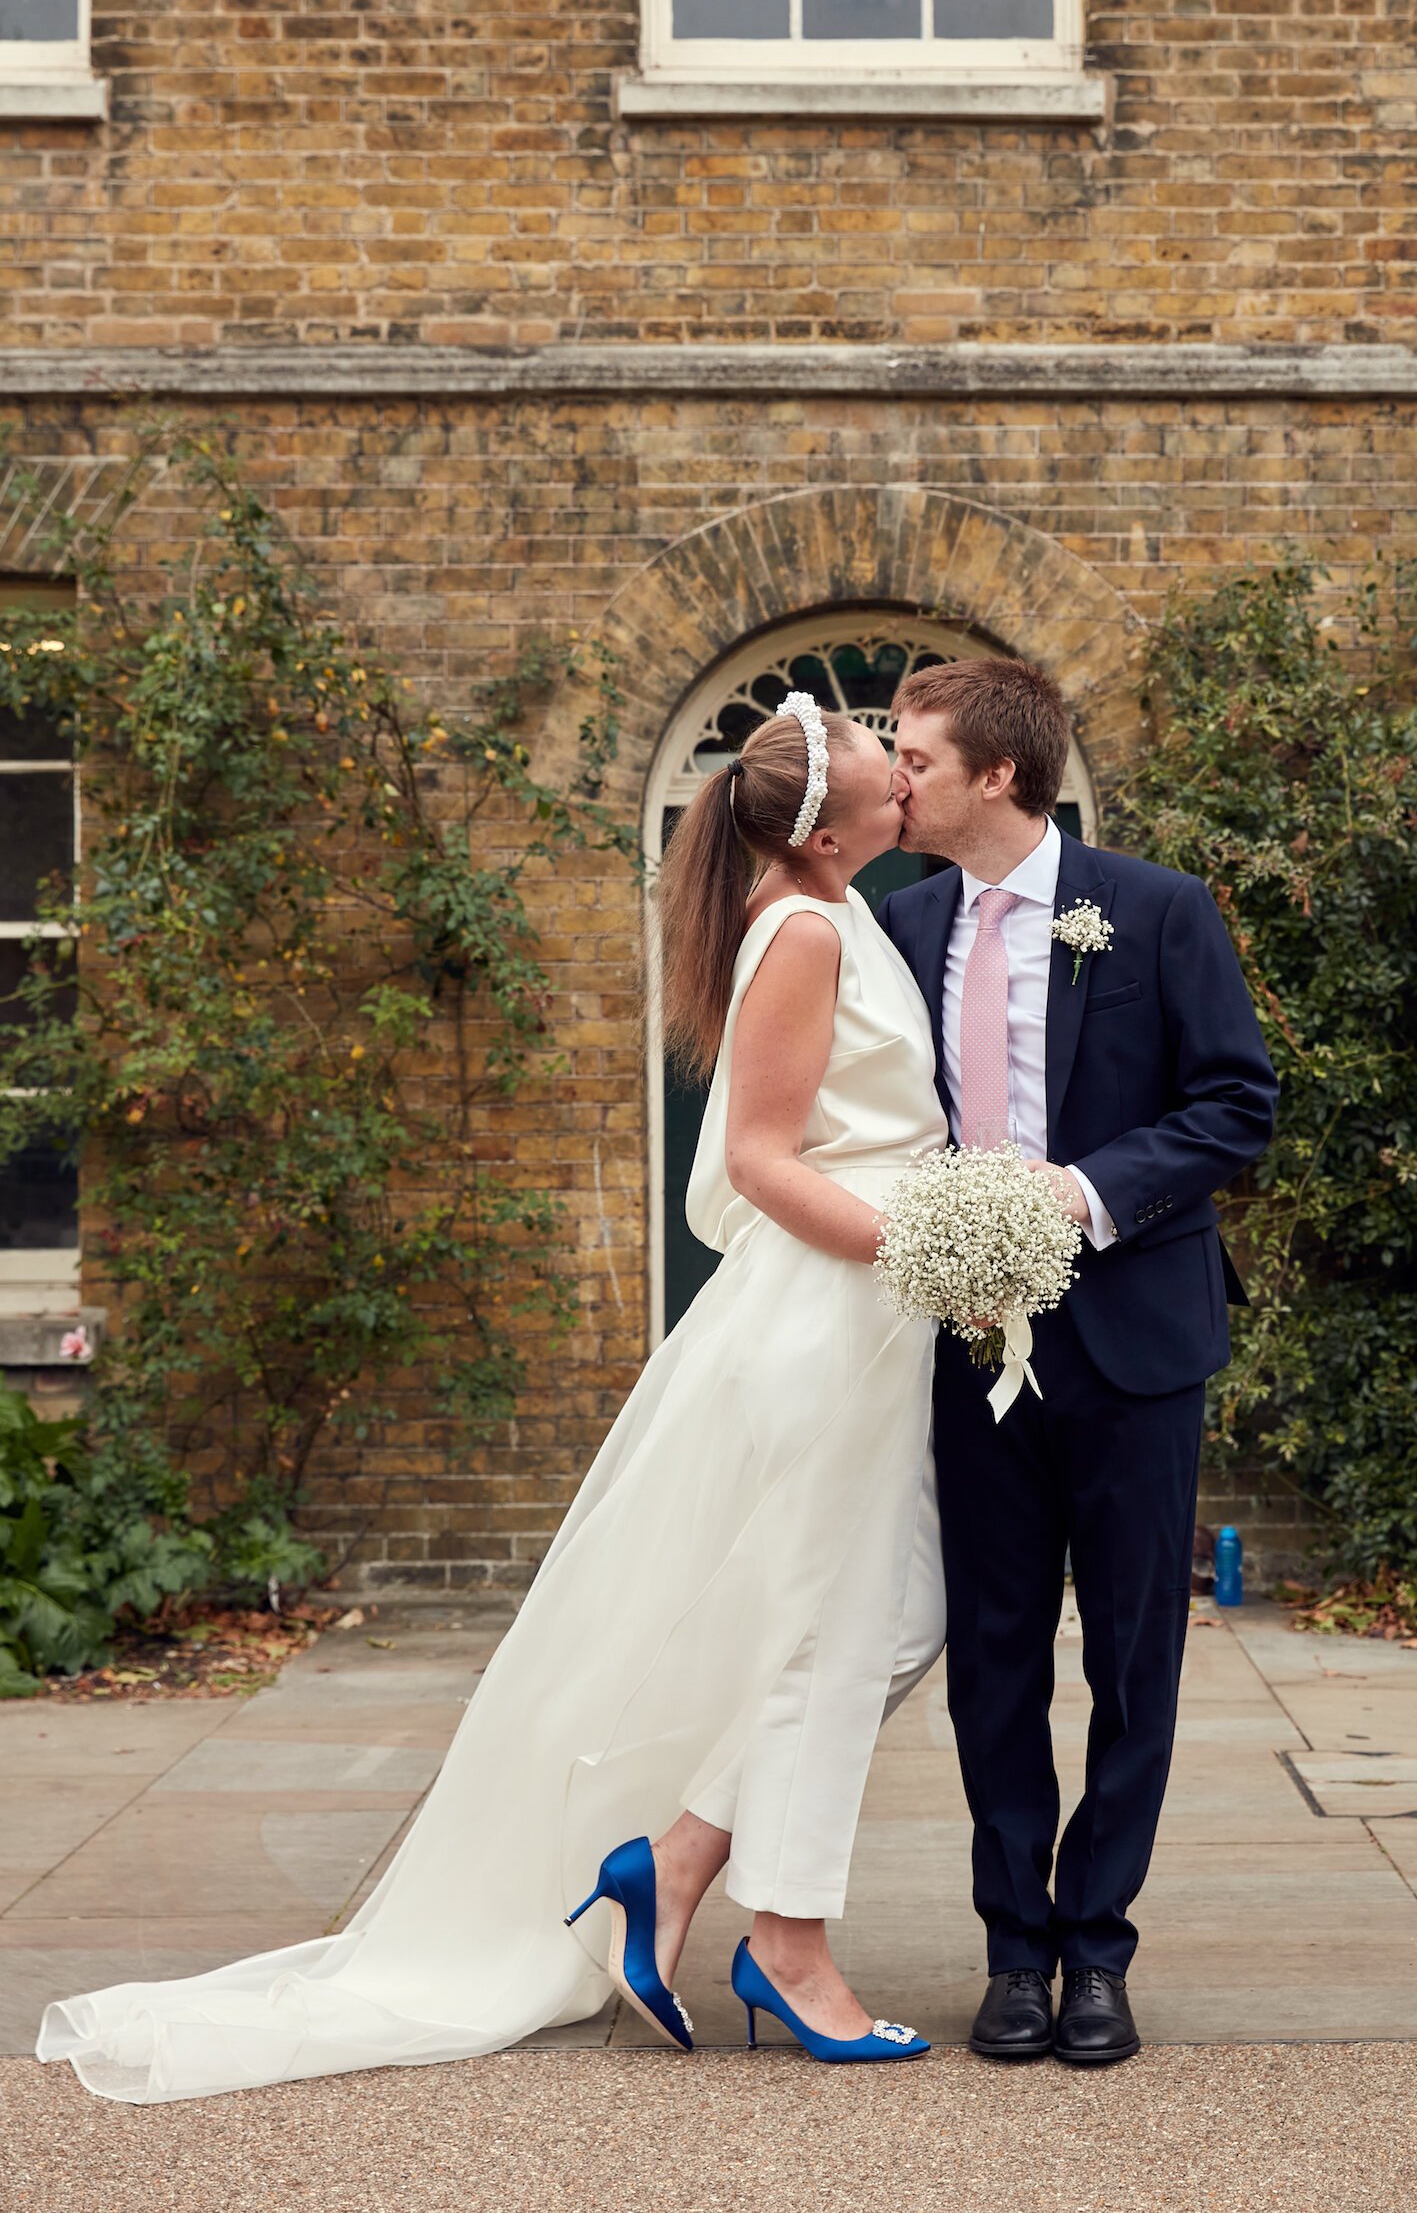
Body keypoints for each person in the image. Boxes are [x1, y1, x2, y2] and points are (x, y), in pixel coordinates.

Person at [35, 695, 950, 2102]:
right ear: (829, 824)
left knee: (877, 1617)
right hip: (834, 1315)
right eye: (884, 748)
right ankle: (789, 1943)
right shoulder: (811, 929)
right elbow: (761, 1161)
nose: (905, 758)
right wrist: (924, 1242)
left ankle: (681, 1858)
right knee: (835, 1630)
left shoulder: (833, 907)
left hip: (869, 1317)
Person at [877, 656, 1279, 2066]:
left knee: (1132, 1655)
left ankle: (1098, 1947)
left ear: (999, 773)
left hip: (1136, 1347)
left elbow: (1238, 1101)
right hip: (963, 1345)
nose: (895, 776)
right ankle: (1012, 1945)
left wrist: (1087, 1192)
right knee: (992, 1661)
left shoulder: (1156, 911)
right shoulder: (899, 921)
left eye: (915, 754)